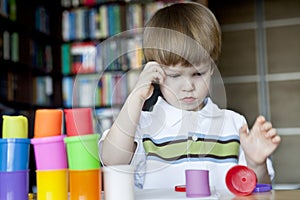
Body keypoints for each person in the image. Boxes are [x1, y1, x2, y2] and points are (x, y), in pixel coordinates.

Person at [99, 2, 281, 192]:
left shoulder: (234, 124)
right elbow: (112, 161)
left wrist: (256, 163)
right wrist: (136, 97)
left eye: (197, 74)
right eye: (175, 75)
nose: (188, 87)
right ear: (156, 73)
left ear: (211, 68)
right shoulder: (142, 125)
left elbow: (262, 189)